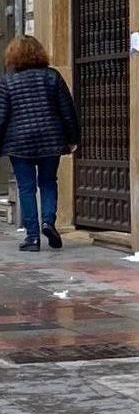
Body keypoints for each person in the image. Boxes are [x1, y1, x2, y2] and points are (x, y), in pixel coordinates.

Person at [0, 35, 79, 252]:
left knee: (26, 188)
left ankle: (32, 237)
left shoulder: (8, 81)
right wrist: (73, 138)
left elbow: (2, 115)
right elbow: (67, 110)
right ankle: (48, 222)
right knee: (47, 182)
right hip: (50, 139)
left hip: (19, 142)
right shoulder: (52, 76)